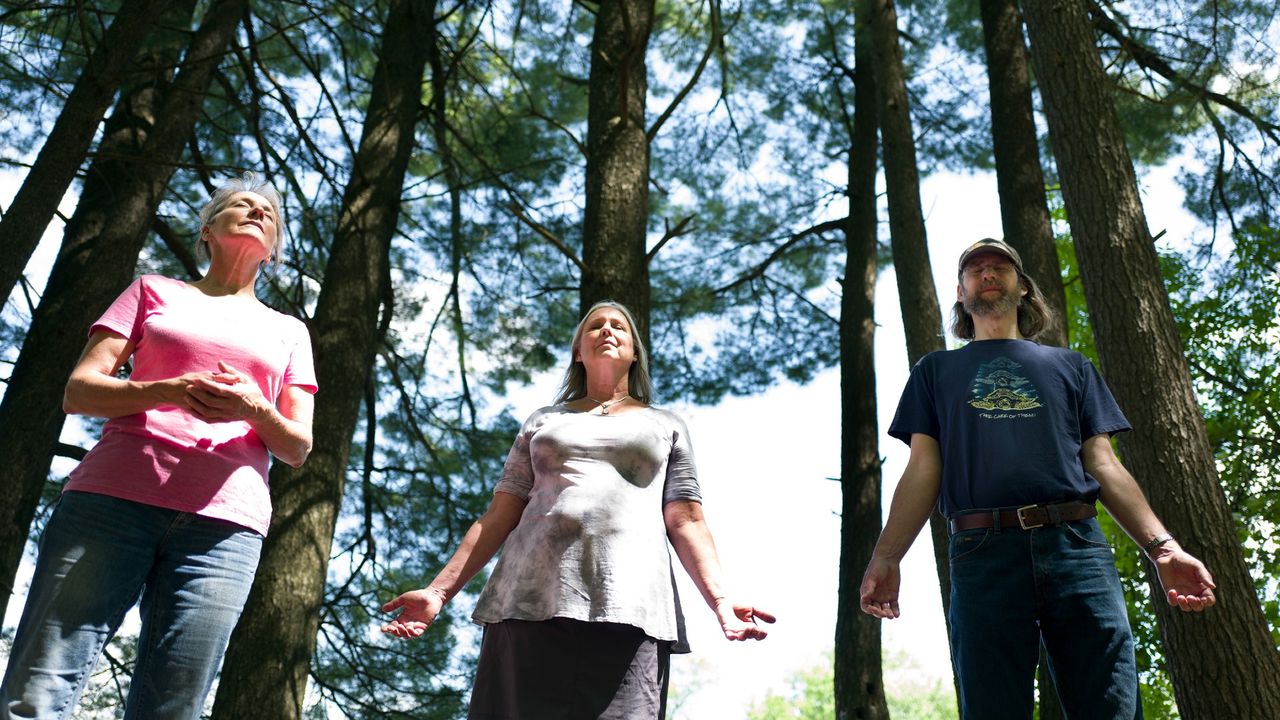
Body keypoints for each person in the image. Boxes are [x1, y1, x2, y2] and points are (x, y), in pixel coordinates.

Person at [0, 174, 317, 720]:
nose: (255, 211)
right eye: (239, 205)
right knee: (39, 686)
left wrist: (255, 410)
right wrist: (165, 390)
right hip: (110, 503)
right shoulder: (154, 291)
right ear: (207, 230)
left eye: (266, 210)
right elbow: (79, 391)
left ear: (274, 252)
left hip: (225, 529)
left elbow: (297, 446)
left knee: (173, 707)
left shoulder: (290, 330)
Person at [859, 238, 1216, 719]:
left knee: (1110, 703)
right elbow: (924, 467)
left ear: (1023, 287)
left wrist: (1164, 547)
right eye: (975, 269)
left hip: (1077, 548)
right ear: (961, 294)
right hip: (982, 555)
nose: (987, 273)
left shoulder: (1071, 366)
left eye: (1000, 266)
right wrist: (887, 555)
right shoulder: (936, 371)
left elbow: (1103, 464)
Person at [381, 300, 774, 719]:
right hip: (527, 602)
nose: (607, 330)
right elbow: (499, 515)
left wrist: (721, 601)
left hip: (632, 607)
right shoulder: (543, 421)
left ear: (635, 351)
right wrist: (439, 591)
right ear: (577, 351)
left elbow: (686, 519)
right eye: (595, 326)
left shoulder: (667, 424)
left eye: (618, 326)